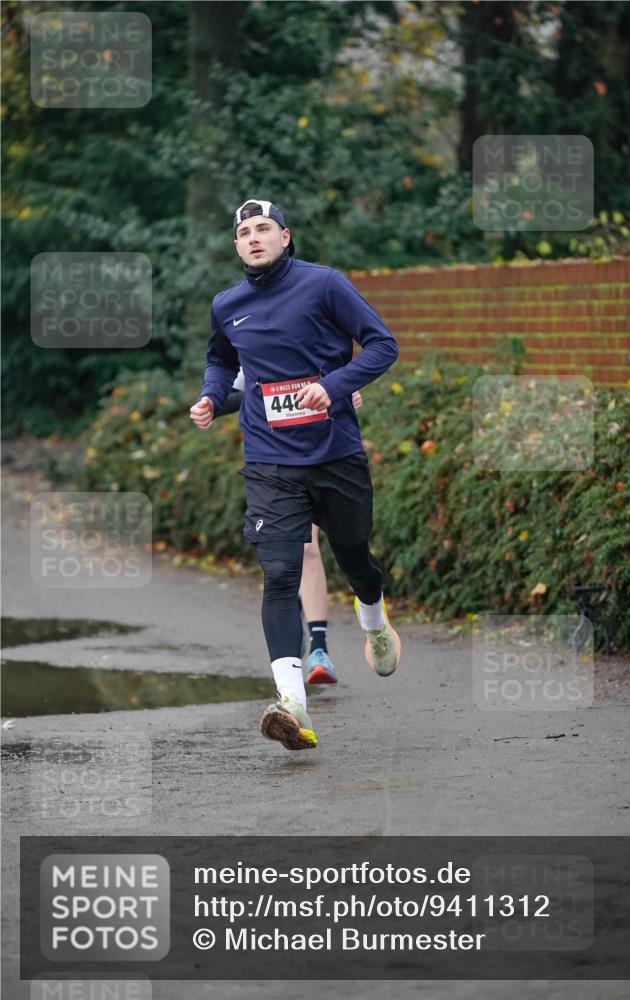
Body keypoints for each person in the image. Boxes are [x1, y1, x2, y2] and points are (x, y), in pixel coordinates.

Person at [189, 198, 401, 751]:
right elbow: (222, 360)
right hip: (269, 461)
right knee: (280, 572)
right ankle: (293, 705)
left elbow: (383, 345)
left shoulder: (325, 284)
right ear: (236, 246)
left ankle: (374, 620)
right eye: (243, 232)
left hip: (334, 453)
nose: (253, 237)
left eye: (263, 228)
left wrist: (332, 386)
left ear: (286, 237)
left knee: (355, 555)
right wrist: (212, 396)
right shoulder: (227, 304)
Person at [218, 369, 364, 686]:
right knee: (300, 550)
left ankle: (319, 650)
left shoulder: (317, 338)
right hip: (273, 464)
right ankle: (299, 619)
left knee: (311, 550)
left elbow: (349, 376)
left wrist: (339, 393)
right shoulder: (252, 342)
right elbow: (221, 397)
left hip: (324, 457)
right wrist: (269, 397)